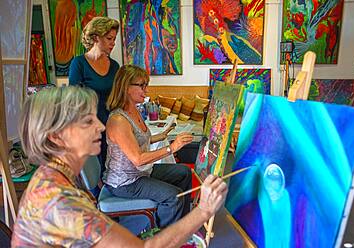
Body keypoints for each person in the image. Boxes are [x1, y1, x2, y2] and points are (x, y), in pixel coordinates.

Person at [11, 86, 228, 247]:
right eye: (87, 122)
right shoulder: (60, 201)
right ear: (56, 137)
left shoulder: (51, 176)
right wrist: (204, 210)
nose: (100, 126)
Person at [103, 65, 193, 228]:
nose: (146, 89)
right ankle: (164, 237)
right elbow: (138, 159)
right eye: (142, 85)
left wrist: (162, 136)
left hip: (140, 173)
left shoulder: (134, 111)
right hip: (125, 182)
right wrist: (171, 148)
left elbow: (137, 140)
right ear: (126, 87)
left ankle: (182, 224)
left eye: (146, 84)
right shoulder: (118, 120)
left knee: (184, 172)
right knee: (174, 196)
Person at [69, 16, 120, 169]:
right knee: (93, 174)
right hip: (89, 125)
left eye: (114, 38)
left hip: (111, 124)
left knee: (110, 169)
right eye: (109, 38)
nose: (113, 43)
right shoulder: (79, 63)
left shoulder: (115, 66)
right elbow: (73, 100)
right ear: (96, 37)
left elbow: (117, 97)